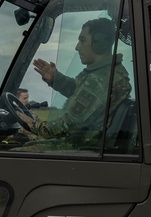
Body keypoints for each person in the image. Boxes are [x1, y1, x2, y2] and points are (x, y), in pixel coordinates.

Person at [31, 17, 131, 145]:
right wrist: (56, 78)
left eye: (82, 41)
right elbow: (78, 90)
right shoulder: (104, 72)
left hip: (83, 146)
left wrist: (32, 124)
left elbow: (68, 125)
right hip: (85, 143)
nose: (77, 47)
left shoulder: (99, 80)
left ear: (99, 43)